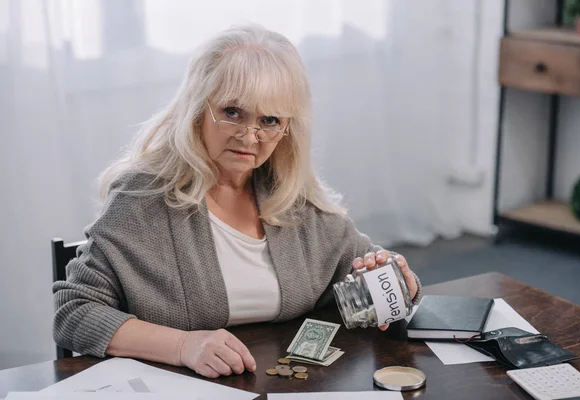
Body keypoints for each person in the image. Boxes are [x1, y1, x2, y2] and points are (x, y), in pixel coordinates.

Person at [53, 24, 422, 379]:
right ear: (199, 108)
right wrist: (183, 345)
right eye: (233, 112)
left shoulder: (292, 198)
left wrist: (396, 282)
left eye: (270, 120)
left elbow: (365, 269)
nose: (250, 136)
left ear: (287, 129)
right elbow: (73, 311)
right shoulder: (141, 197)